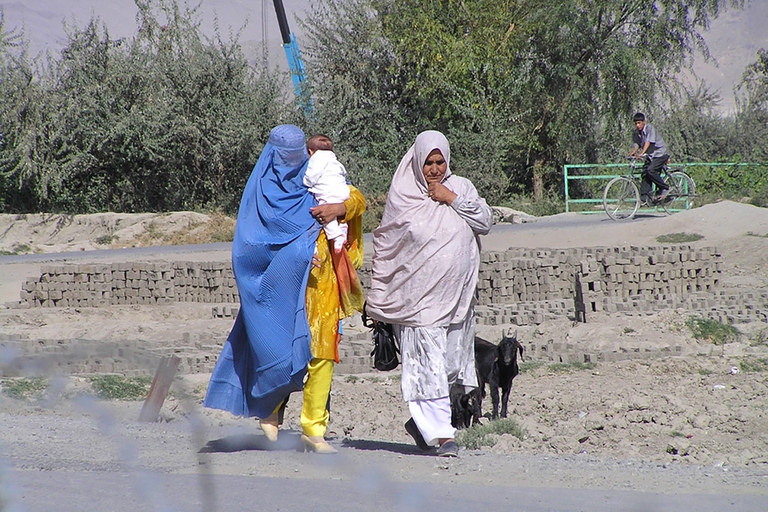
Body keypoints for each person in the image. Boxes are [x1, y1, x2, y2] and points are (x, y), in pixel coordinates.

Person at [203, 124, 366, 454]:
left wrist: (339, 209)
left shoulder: (316, 181)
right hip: (276, 294)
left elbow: (354, 198)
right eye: (284, 156)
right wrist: (297, 258)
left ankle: (313, 429)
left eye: (297, 156)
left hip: (321, 290)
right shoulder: (258, 197)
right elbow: (248, 250)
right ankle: (270, 408)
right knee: (278, 352)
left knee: (320, 355)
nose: (290, 164)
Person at [365, 130, 492, 457]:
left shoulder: (461, 187)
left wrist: (451, 198)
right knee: (427, 367)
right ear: (416, 163)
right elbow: (389, 246)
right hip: (419, 302)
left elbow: (485, 221)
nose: (434, 169)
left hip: (458, 301)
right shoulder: (404, 196)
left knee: (450, 365)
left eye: (440, 162)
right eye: (428, 163)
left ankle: (422, 426)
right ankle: (441, 435)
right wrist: (380, 296)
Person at [304, 134, 350, 254]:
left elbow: (311, 176)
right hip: (343, 191)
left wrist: (305, 182)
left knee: (325, 212)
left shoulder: (315, 160)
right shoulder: (334, 160)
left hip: (329, 193)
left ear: (310, 152)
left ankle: (336, 235)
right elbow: (343, 173)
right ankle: (342, 226)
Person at [628, 112, 671, 205]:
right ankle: (645, 198)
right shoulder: (636, 133)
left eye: (639, 123)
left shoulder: (649, 128)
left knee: (651, 170)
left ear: (644, 122)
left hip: (660, 153)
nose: (637, 125)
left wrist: (642, 153)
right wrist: (633, 153)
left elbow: (648, 142)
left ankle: (665, 188)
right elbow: (636, 144)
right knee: (644, 174)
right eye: (636, 123)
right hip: (651, 156)